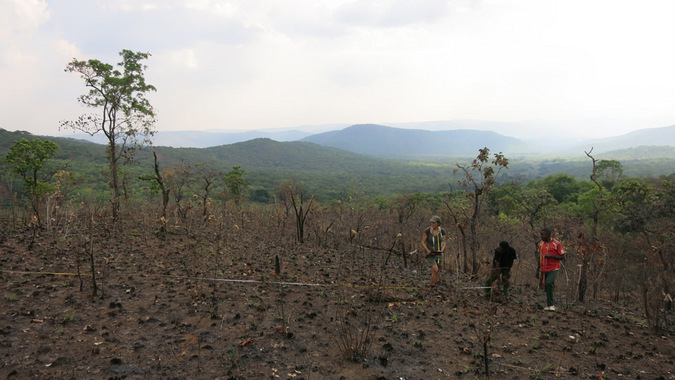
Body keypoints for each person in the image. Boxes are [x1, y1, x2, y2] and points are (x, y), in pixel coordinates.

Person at [537, 228, 565, 311]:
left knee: (548, 283)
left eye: (543, 234)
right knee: (546, 286)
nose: (541, 236)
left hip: (553, 268)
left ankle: (551, 305)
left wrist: (552, 256)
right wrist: (537, 269)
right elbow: (539, 257)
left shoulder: (557, 244)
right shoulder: (541, 243)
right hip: (544, 268)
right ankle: (549, 305)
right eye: (541, 234)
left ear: (548, 235)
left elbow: (563, 257)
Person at [422, 215, 446, 287]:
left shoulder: (442, 231)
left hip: (438, 253)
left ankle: (433, 285)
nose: (432, 224)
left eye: (434, 222)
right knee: (435, 269)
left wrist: (442, 250)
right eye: (431, 222)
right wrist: (427, 250)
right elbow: (423, 242)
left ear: (438, 223)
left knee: (436, 271)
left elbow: (444, 242)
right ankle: (432, 285)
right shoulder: (427, 231)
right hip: (430, 254)